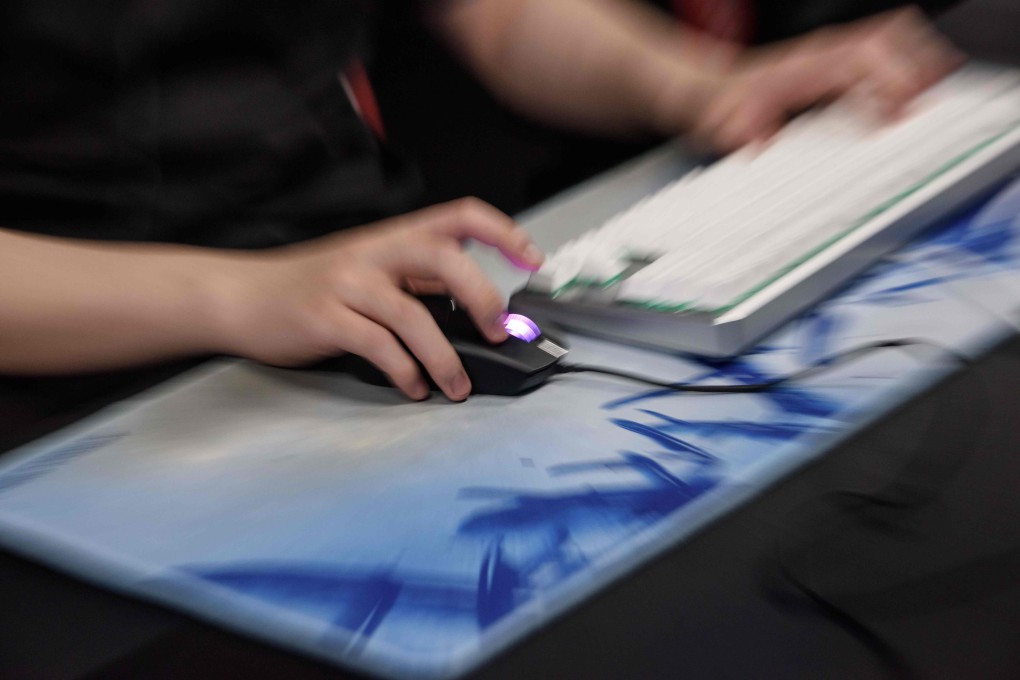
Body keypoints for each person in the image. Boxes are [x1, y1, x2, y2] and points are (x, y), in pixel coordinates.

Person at [0, 0, 962, 401]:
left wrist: (699, 85)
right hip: (80, 379)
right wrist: (239, 294)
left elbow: (494, 12)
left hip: (360, 295)